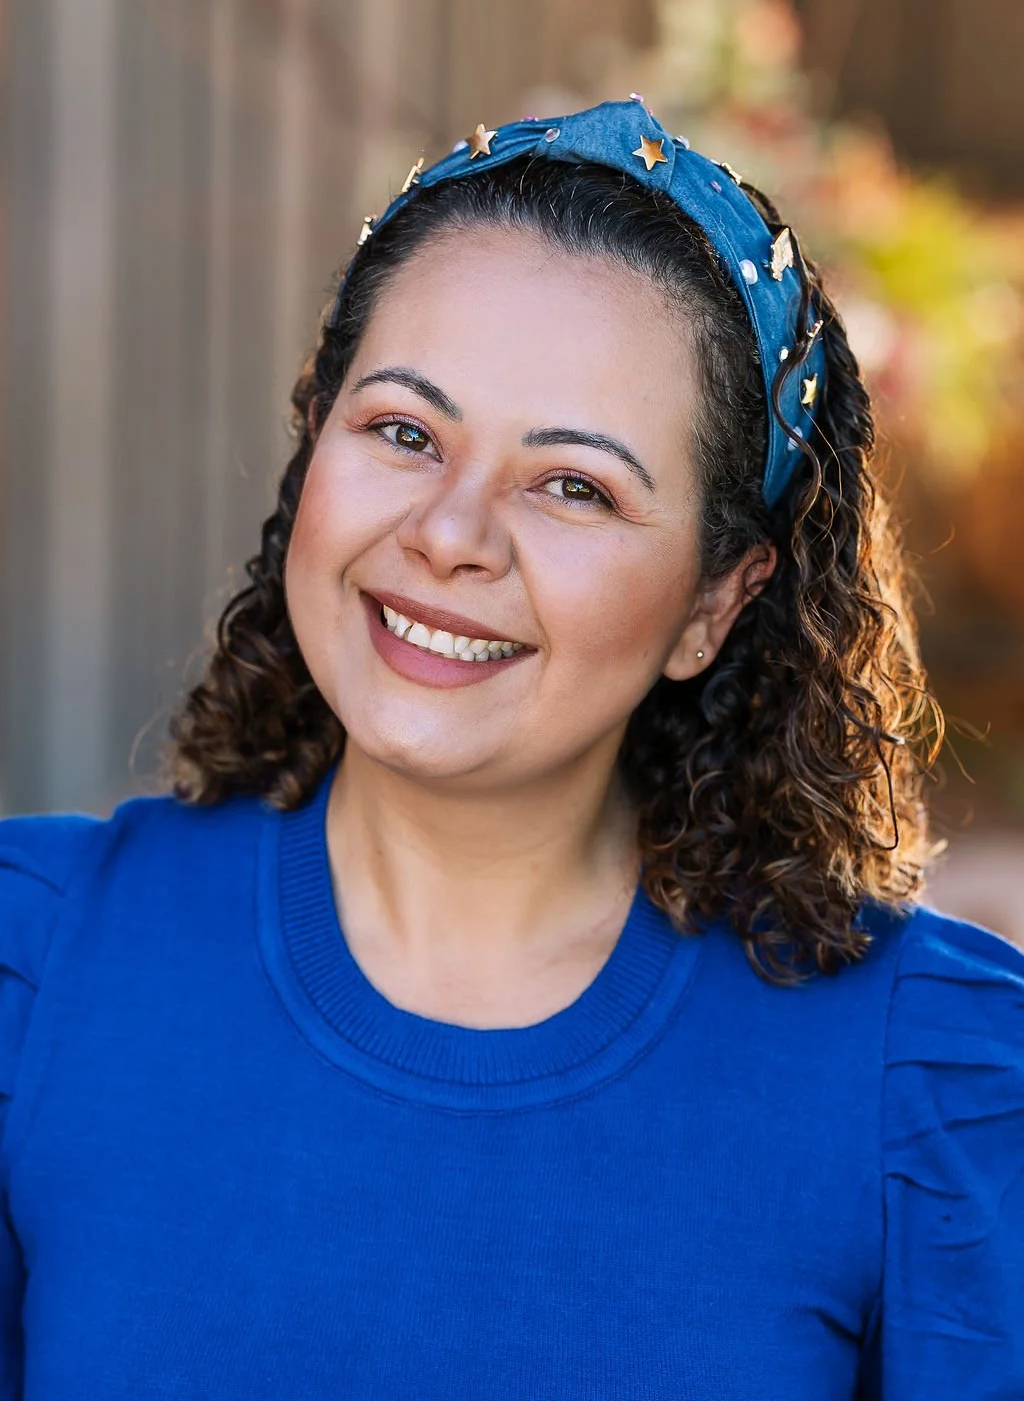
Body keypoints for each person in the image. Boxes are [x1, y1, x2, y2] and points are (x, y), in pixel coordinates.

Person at [0, 99, 1021, 1399]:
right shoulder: (37, 974)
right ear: (314, 437)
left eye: (575, 486)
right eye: (404, 432)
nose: (450, 534)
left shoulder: (923, 1090)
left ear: (716, 602)